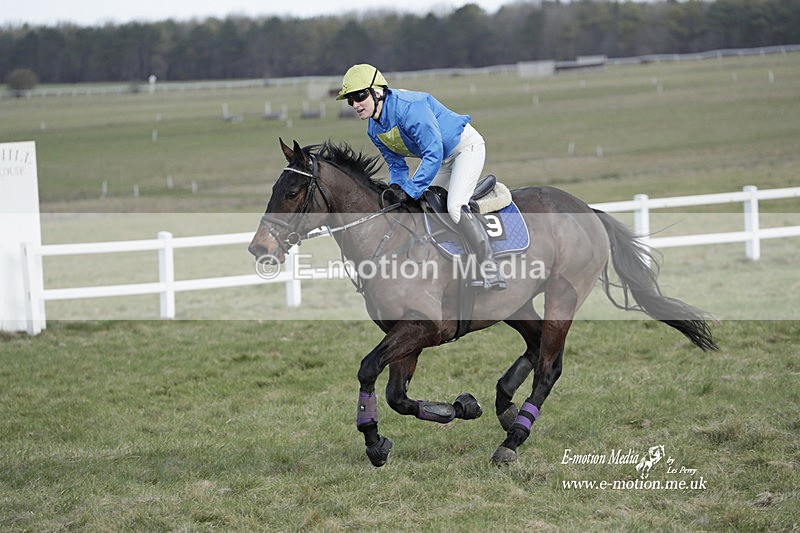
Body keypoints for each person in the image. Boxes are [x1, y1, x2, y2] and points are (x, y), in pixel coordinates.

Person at [336, 64, 506, 291]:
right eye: (350, 100)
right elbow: (396, 164)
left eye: (359, 96)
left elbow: (432, 153)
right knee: (420, 206)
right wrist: (396, 189)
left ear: (378, 92)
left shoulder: (410, 109)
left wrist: (410, 189)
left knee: (455, 207)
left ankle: (490, 268)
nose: (355, 104)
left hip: (465, 148)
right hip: (441, 159)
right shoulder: (373, 129)